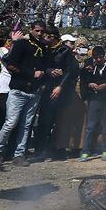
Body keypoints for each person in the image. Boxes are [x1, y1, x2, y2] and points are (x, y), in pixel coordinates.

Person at [0, 21, 48, 167]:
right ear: (31, 30)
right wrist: (31, 73)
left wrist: (42, 82)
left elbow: (43, 68)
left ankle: (19, 154)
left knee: (26, 125)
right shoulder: (22, 44)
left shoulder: (43, 47)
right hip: (18, 90)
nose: (40, 34)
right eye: (37, 31)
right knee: (10, 123)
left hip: (34, 92)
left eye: (42, 31)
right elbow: (10, 65)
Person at [33, 26, 79, 161]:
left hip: (61, 89)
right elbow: (41, 65)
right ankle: (41, 149)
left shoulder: (65, 51)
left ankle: (58, 149)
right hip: (46, 87)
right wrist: (48, 71)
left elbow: (70, 71)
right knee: (44, 119)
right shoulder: (44, 49)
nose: (44, 38)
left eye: (47, 36)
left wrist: (60, 86)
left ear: (53, 37)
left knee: (59, 120)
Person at [80, 46, 106, 162]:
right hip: (94, 99)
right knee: (90, 126)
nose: (98, 60)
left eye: (100, 57)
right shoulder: (90, 66)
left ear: (104, 56)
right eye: (96, 58)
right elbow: (84, 80)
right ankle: (85, 151)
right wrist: (90, 84)